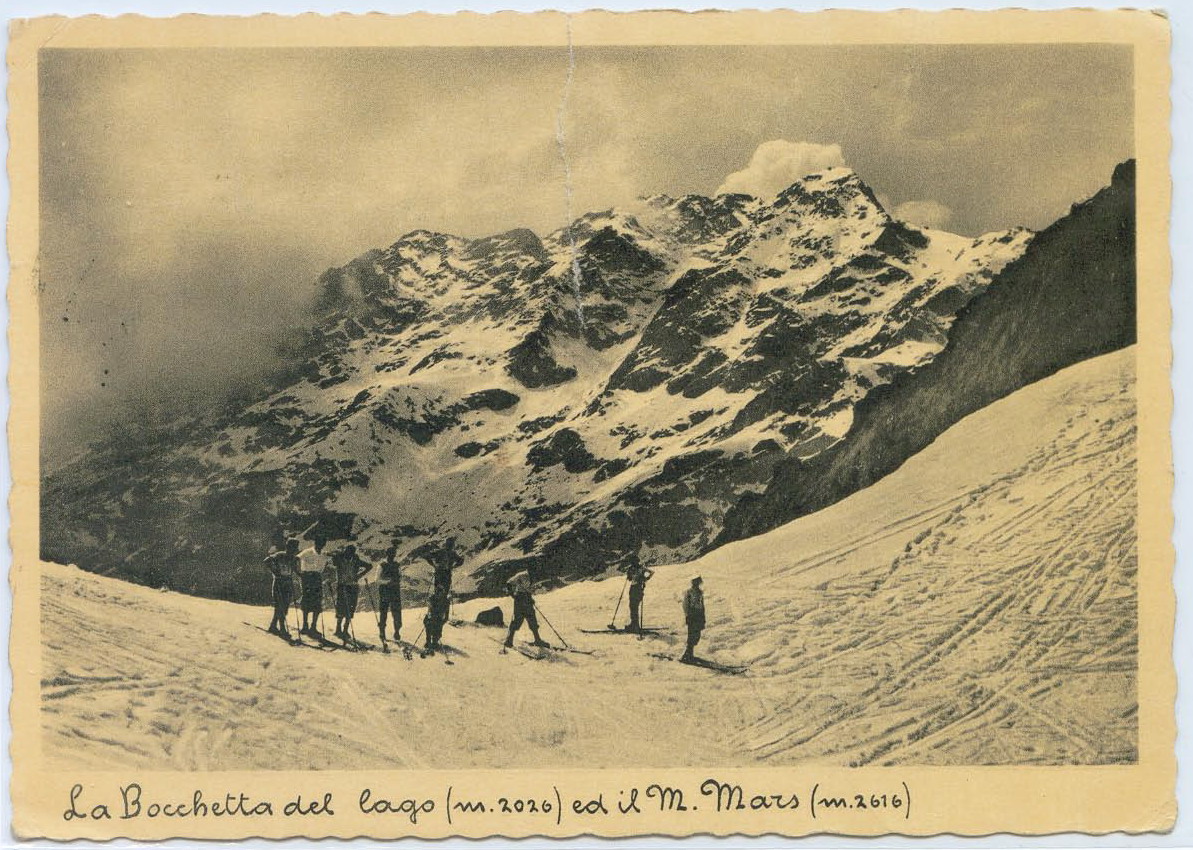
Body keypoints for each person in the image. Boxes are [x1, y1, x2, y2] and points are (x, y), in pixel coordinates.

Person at [331, 544, 370, 641]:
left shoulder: (355, 560)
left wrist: (359, 575)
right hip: (342, 585)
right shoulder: (340, 558)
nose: (348, 554)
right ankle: (338, 629)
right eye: (347, 552)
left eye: (351, 553)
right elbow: (333, 560)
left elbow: (369, 566)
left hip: (352, 586)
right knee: (341, 607)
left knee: (350, 608)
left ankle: (345, 629)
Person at [264, 538, 300, 639]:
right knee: (280, 605)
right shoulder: (280, 555)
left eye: (295, 548)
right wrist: (275, 572)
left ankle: (273, 625)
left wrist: (301, 575)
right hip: (279, 582)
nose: (293, 550)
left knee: (285, 606)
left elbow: (294, 569)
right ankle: (282, 628)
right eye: (291, 548)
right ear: (287, 547)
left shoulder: (293, 558)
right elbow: (266, 561)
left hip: (288, 582)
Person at [504, 570, 548, 648]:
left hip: (527, 599)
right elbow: (509, 583)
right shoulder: (521, 575)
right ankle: (509, 641)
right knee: (518, 620)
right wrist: (513, 595)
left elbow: (529, 590)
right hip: (519, 599)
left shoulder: (533, 577)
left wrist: (530, 598)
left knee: (532, 619)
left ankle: (537, 640)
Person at [297, 539, 328, 638]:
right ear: (315, 543)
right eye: (319, 543)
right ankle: (305, 626)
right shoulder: (307, 552)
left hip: (317, 577)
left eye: (322, 543)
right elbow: (296, 559)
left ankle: (313, 627)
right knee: (306, 601)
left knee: (317, 602)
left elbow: (325, 565)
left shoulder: (323, 554)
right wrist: (299, 573)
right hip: (307, 577)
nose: (320, 545)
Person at [376, 543, 402, 643]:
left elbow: (400, 576)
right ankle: (382, 632)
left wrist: (396, 581)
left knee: (397, 613)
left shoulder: (397, 565)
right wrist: (387, 582)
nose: (392, 556)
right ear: (387, 554)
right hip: (385, 591)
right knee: (383, 613)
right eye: (391, 554)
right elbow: (377, 580)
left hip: (395, 591)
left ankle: (397, 632)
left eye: (393, 554)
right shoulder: (381, 565)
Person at [625, 555, 654, 633]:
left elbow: (651, 572)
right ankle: (634, 624)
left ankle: (635, 626)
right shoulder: (637, 568)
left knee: (633, 606)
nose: (632, 563)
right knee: (633, 607)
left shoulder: (639, 568)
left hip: (636, 588)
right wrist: (645, 579)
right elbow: (630, 578)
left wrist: (645, 579)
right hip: (636, 588)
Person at [681, 575, 705, 663]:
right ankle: (687, 655)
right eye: (696, 583)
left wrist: (703, 617)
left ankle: (690, 654)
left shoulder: (700, 593)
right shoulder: (689, 592)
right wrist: (687, 615)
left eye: (698, 583)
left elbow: (702, 606)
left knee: (696, 635)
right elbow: (685, 605)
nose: (697, 584)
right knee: (691, 635)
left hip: (699, 615)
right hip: (692, 615)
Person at [423, 586, 450, 652]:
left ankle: (435, 642)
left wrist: (444, 620)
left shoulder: (445, 601)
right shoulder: (432, 598)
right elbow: (429, 609)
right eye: (437, 592)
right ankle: (428, 642)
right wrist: (429, 616)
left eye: (439, 592)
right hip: (431, 617)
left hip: (439, 618)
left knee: (437, 631)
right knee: (429, 627)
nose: (438, 594)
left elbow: (446, 613)